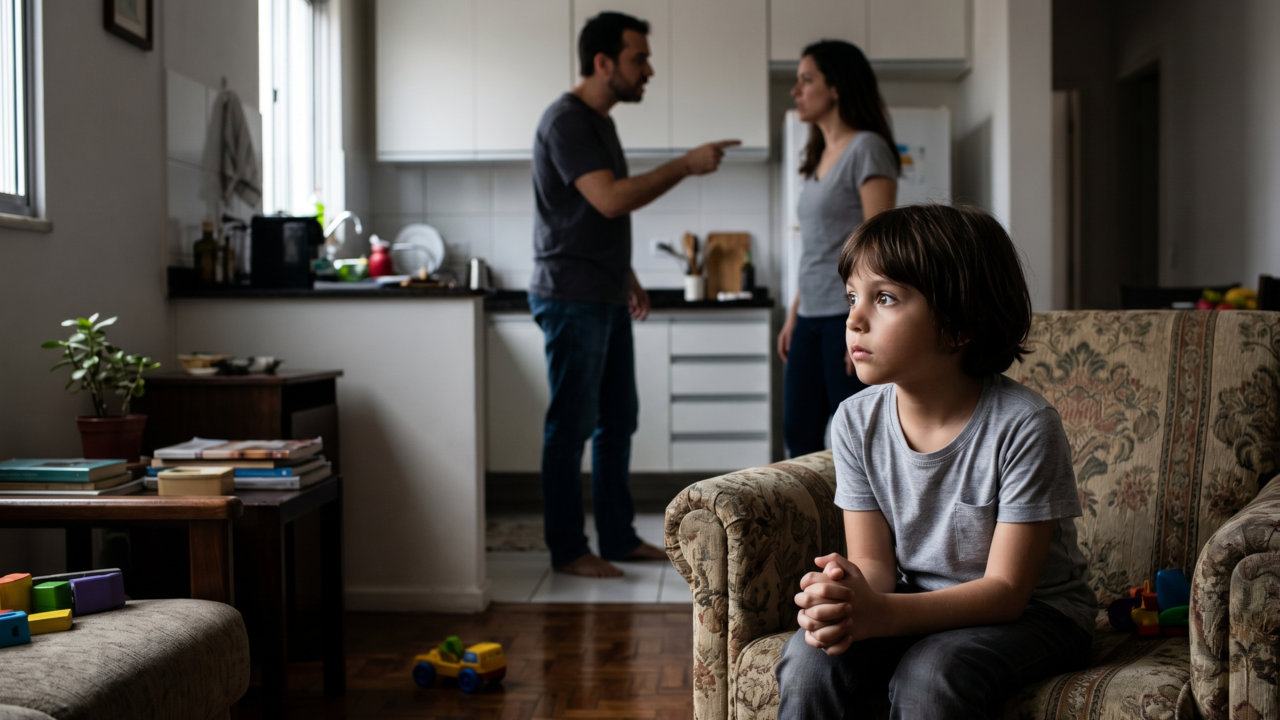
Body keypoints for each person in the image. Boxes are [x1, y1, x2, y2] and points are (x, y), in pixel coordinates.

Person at [774, 204, 1097, 719]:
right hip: (915, 597)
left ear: (958, 324)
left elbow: (1006, 593)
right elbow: (876, 566)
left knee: (932, 673)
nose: (854, 319)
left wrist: (882, 613)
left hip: (1037, 614)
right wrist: (849, 598)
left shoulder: (1024, 425)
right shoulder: (855, 422)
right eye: (852, 297)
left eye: (884, 298)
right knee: (811, 660)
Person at [530, 11, 740, 578]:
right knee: (570, 427)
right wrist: (686, 164)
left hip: (599, 292)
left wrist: (625, 273)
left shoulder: (600, 122)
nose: (648, 69)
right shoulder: (567, 121)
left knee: (618, 418)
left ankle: (619, 538)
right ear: (603, 63)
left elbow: (592, 213)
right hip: (571, 297)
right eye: (638, 58)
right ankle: (569, 549)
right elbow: (609, 200)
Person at [778, 40, 899, 458]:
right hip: (810, 317)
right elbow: (817, 247)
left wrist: (865, 326)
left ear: (836, 88)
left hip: (844, 317)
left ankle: (858, 525)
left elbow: (880, 248)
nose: (796, 90)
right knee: (798, 434)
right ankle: (809, 525)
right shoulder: (817, 156)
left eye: (806, 79)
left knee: (857, 442)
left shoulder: (866, 149)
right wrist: (794, 315)